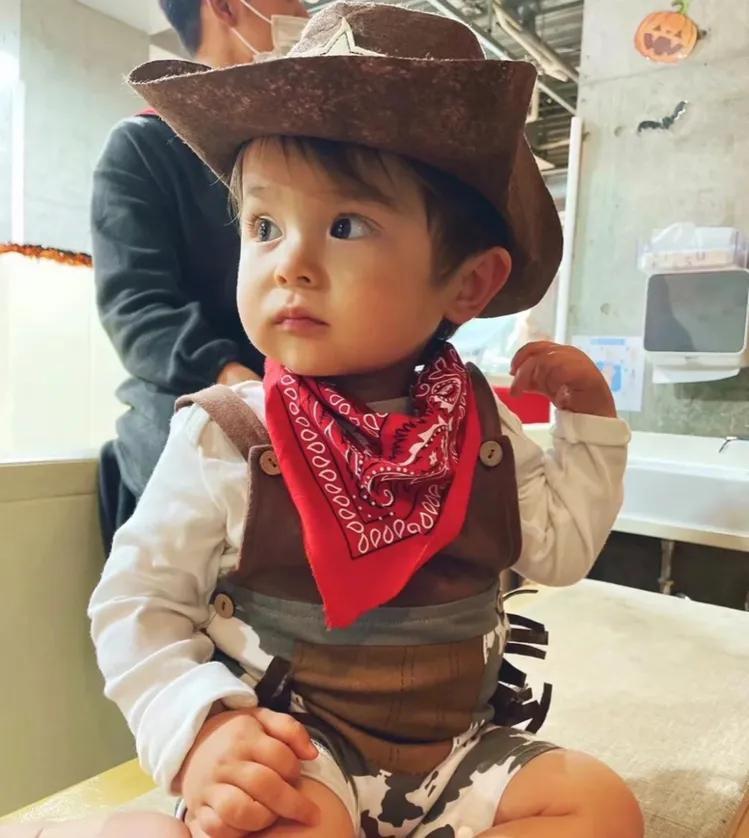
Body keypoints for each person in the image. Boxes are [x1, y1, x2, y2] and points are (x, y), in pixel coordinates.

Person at [4, 4, 643, 837]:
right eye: (263, 226)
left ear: (467, 284)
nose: (291, 264)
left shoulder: (475, 425)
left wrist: (588, 425)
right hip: (298, 752)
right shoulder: (229, 433)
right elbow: (139, 604)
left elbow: (558, 552)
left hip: (460, 755)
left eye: (346, 225)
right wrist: (201, 729)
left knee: (599, 805)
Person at [94, 0, 308, 553]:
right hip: (191, 416)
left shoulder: (304, 149)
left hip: (307, 407)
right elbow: (137, 308)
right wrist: (241, 390)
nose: (305, 10)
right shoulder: (144, 147)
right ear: (226, 6)